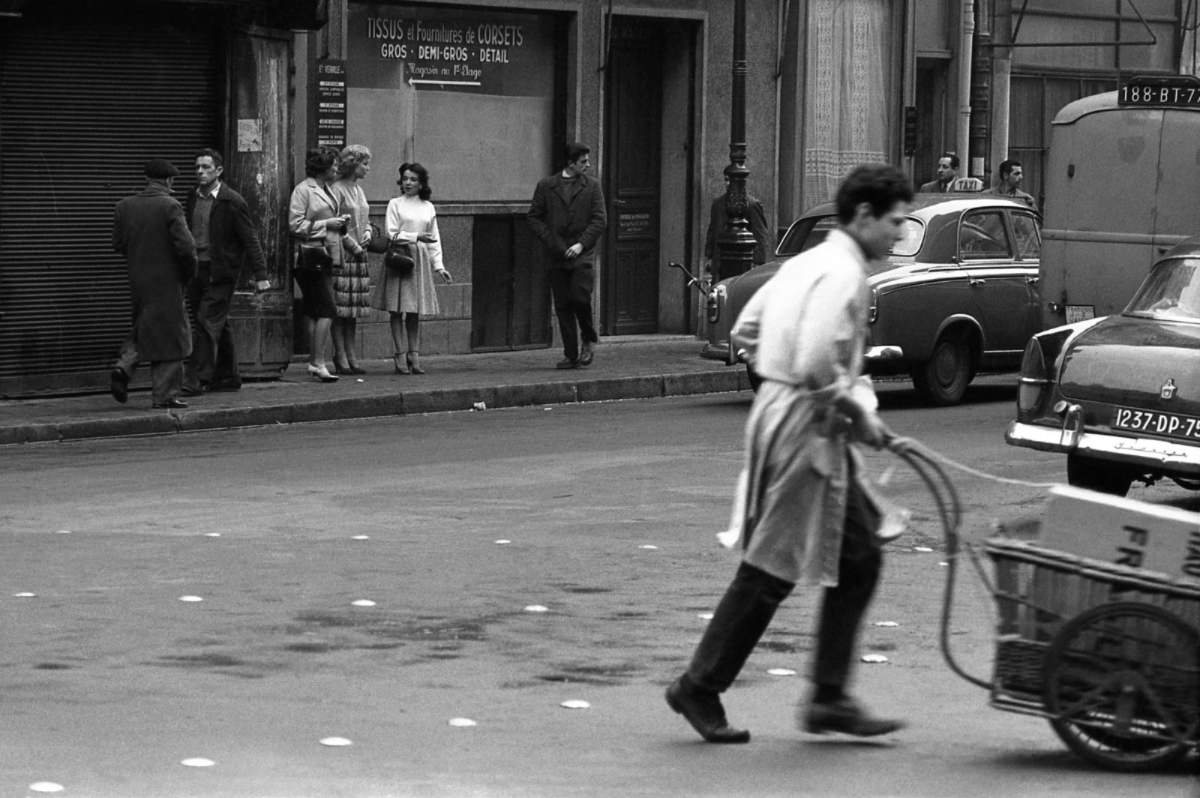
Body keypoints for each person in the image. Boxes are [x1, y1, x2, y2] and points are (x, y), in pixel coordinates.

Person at [665, 163, 913, 744]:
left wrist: (790, 382)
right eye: (895, 222)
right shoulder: (846, 274)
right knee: (773, 564)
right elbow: (815, 362)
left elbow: (745, 330)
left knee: (859, 556)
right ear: (863, 216)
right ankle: (699, 685)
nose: (900, 235)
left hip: (791, 413)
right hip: (805, 423)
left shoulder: (808, 262)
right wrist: (857, 413)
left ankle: (829, 696)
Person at [110, 158, 198, 409]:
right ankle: (165, 394)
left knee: (145, 326)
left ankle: (123, 367)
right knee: (174, 337)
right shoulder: (171, 206)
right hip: (168, 281)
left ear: (147, 179)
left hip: (138, 280)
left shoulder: (124, 206)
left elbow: (118, 243)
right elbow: (187, 248)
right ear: (169, 180)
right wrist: (188, 275)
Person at [182, 148, 269, 396]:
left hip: (221, 271)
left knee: (206, 320)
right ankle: (229, 376)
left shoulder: (232, 201)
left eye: (206, 167)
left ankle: (197, 379)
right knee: (217, 321)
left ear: (218, 171)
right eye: (197, 167)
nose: (200, 172)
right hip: (197, 268)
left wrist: (261, 274)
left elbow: (249, 238)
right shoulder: (193, 197)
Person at [527, 142, 607, 369]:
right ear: (571, 163)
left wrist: (582, 244)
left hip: (582, 253)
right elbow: (534, 217)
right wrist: (552, 241)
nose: (588, 165)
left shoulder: (592, 187)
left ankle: (588, 337)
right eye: (583, 161)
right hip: (557, 253)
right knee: (562, 304)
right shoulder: (546, 186)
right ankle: (570, 354)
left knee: (580, 297)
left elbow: (600, 219)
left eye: (588, 161)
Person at [371, 162, 452, 375]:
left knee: (414, 311)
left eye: (413, 179)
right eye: (405, 178)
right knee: (397, 310)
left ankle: (414, 355)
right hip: (400, 257)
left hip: (421, 259)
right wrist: (416, 237)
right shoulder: (395, 204)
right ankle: (399, 354)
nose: (408, 183)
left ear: (421, 183)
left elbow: (434, 238)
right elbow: (391, 233)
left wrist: (439, 266)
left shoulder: (428, 207)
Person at [288, 147, 349, 383]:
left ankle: (316, 361)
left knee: (315, 310)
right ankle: (317, 361)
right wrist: (328, 224)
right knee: (327, 309)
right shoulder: (304, 190)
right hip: (309, 255)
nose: (336, 169)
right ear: (322, 167)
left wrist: (340, 224)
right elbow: (295, 225)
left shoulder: (327, 190)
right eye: (333, 165)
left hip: (324, 255)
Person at [329, 144, 374, 375]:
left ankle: (351, 352)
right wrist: (352, 244)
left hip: (360, 253)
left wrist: (367, 233)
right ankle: (340, 354)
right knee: (340, 308)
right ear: (353, 164)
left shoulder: (358, 190)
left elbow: (365, 217)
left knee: (353, 309)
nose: (367, 168)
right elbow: (335, 221)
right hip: (344, 253)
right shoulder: (337, 189)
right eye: (364, 164)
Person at [704, 176, 773, 280]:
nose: (728, 183)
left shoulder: (751, 204)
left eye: (731, 180)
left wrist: (757, 262)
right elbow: (712, 230)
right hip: (720, 260)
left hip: (744, 261)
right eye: (726, 180)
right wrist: (709, 256)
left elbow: (760, 235)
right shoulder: (717, 204)